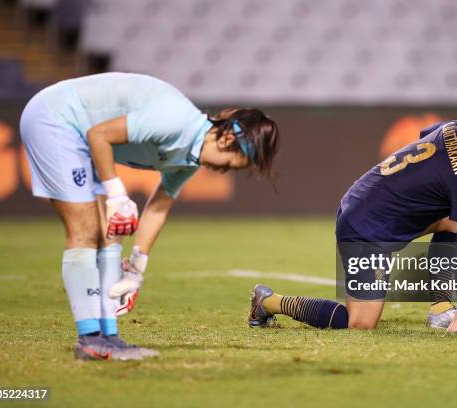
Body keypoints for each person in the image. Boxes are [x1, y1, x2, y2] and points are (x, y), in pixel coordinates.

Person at [20, 73, 280, 360]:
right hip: (56, 118)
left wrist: (136, 269)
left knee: (110, 233)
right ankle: (91, 340)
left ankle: (109, 337)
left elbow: (158, 206)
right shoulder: (176, 121)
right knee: (84, 230)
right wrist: (117, 194)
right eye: (231, 164)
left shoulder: (189, 158)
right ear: (227, 138)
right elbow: (99, 135)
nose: (225, 171)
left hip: (81, 133)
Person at [249, 88, 457, 333]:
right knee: (360, 322)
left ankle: (441, 311)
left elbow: (424, 136)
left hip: (363, 200)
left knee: (453, 221)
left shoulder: (455, 127)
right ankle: (269, 301)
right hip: (365, 227)